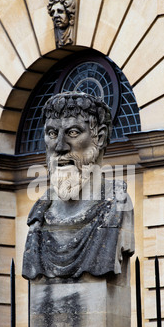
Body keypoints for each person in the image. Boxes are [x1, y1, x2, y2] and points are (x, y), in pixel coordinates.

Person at [22, 92, 134, 279]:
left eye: (73, 133)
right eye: (52, 133)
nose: (59, 147)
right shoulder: (38, 215)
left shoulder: (117, 205)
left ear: (99, 137)